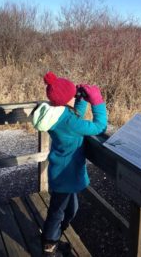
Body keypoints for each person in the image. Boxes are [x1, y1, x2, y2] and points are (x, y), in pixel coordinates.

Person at [32, 71, 107, 257]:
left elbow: (74, 115)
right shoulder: (68, 121)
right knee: (58, 212)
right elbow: (100, 126)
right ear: (67, 100)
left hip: (62, 171)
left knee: (70, 209)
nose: (75, 97)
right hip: (66, 174)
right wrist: (97, 101)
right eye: (73, 95)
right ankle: (49, 245)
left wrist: (80, 99)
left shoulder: (57, 113)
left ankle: (54, 236)